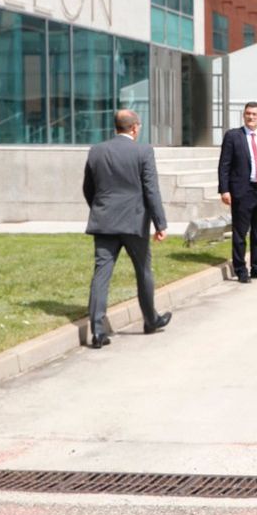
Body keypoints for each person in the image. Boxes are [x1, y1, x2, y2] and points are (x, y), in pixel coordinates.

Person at [82, 110, 173, 349]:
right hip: (134, 223)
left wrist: (100, 208)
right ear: (134, 128)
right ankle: (150, 320)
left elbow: (88, 188)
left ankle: (98, 331)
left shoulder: (96, 151)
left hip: (104, 222)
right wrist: (160, 223)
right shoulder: (143, 151)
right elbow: (151, 189)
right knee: (143, 271)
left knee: (101, 274)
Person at [218, 101, 257, 283]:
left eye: (254, 114)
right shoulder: (233, 136)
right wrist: (224, 189)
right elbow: (224, 165)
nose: (251, 117)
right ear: (244, 115)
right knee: (240, 233)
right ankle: (240, 270)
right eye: (248, 114)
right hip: (241, 192)